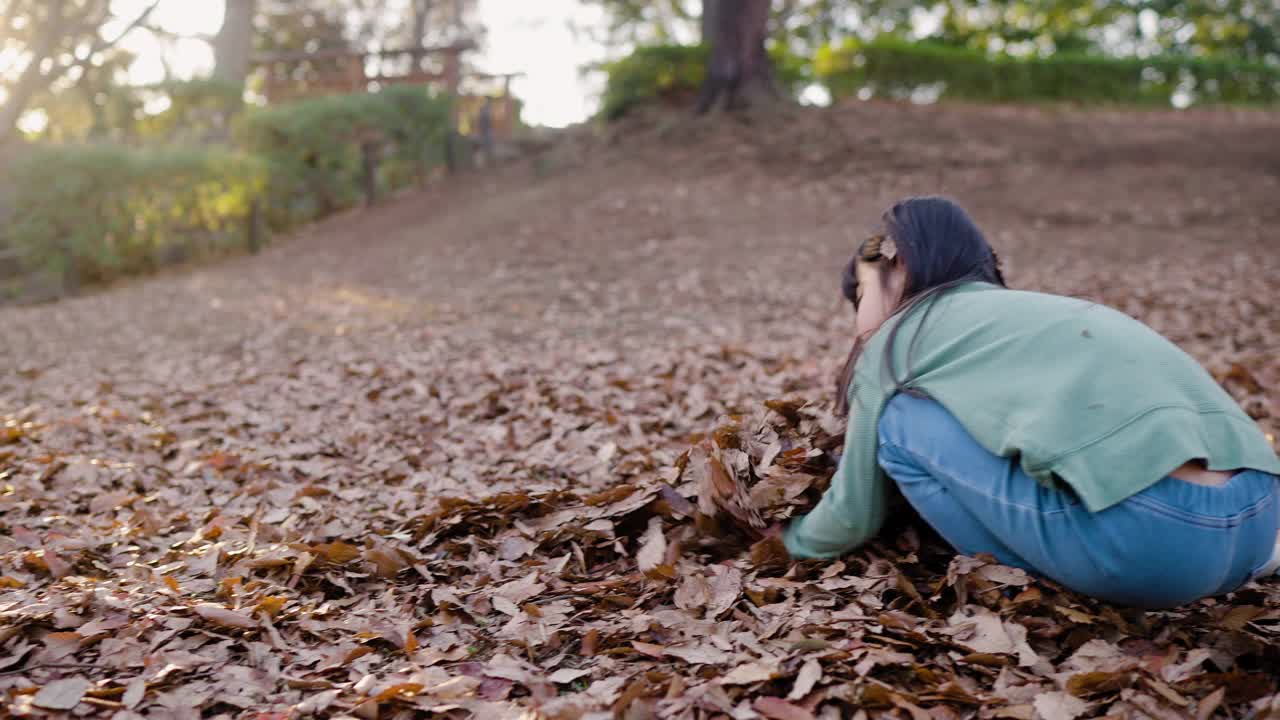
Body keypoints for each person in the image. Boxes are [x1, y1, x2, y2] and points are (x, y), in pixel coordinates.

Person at [782, 196, 1280, 608]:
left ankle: (1037, 576)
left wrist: (788, 542)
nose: (858, 320)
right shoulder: (1031, 316)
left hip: (1152, 547)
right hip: (1260, 514)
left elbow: (851, 515)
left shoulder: (898, 339)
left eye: (861, 293)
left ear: (902, 264)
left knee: (897, 425)